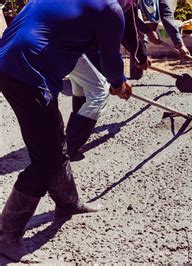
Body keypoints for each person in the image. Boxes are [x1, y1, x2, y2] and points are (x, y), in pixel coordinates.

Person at [0, 0, 132, 261]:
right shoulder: (111, 9)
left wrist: (115, 79)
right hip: (29, 73)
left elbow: (94, 49)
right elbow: (110, 55)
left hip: (8, 61)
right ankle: (7, 234)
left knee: (53, 136)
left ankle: (67, 202)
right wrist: (118, 83)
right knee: (45, 158)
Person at [66, 0, 191, 160]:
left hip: (66, 40)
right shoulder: (114, 4)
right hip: (76, 43)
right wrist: (118, 82)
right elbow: (110, 50)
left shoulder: (125, 4)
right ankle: (68, 148)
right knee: (98, 91)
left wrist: (141, 57)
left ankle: (69, 142)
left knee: (82, 86)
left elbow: (129, 30)